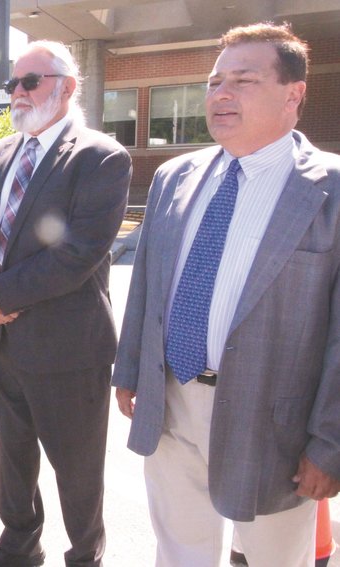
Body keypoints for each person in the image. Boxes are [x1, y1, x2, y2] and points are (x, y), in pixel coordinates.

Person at [112, 22, 340, 567]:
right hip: (171, 401)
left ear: (294, 94)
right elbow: (145, 286)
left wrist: (330, 441)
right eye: (215, 82)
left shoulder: (330, 190)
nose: (221, 94)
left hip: (275, 420)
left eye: (243, 80)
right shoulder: (175, 176)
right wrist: (129, 370)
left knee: (273, 557)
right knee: (180, 549)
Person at [0, 41, 131, 567]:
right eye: (13, 83)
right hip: (2, 341)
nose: (18, 93)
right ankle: (20, 542)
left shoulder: (100, 157)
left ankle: (84, 554)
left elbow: (79, 252)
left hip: (68, 349)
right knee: (14, 456)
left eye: (30, 81)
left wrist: (0, 294)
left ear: (68, 87)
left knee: (76, 468)